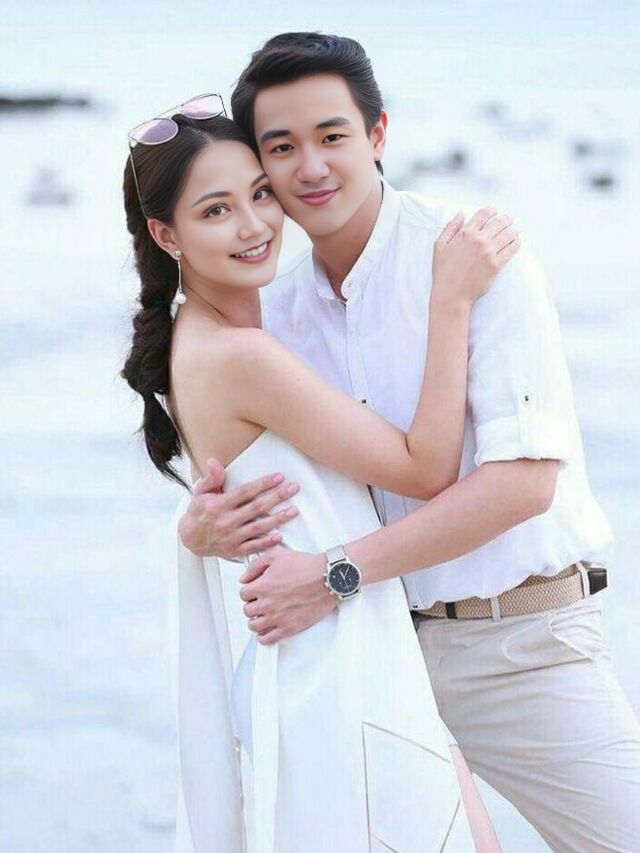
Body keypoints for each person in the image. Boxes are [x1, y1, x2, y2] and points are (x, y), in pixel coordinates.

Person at [179, 32, 640, 852]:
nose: (311, 167)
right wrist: (197, 526)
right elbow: (250, 471)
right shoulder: (273, 315)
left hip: (519, 648)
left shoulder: (472, 256)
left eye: (332, 136)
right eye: (281, 148)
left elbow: (522, 483)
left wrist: (335, 573)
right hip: (366, 656)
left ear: (378, 134)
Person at [121, 100, 513, 850]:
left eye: (259, 194)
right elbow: (425, 467)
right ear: (167, 235)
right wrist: (452, 298)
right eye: (216, 211)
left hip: (330, 661)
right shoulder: (242, 356)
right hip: (333, 678)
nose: (254, 226)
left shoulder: (210, 337)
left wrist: (192, 531)